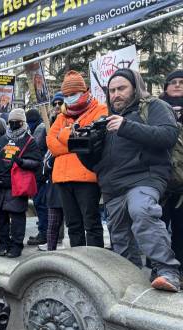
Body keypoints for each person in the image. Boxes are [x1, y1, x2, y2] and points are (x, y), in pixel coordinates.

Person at [81, 69, 181, 292]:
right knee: (120, 236)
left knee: (143, 211)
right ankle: (130, 279)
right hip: (113, 187)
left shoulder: (154, 106)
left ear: (135, 88)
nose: (116, 94)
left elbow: (168, 135)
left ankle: (168, 271)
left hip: (144, 178)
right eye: (112, 90)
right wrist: (84, 150)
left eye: (121, 88)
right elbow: (96, 164)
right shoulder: (104, 120)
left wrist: (126, 126)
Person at [47, 70, 106, 248]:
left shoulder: (100, 110)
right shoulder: (61, 116)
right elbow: (51, 143)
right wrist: (72, 138)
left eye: (73, 94)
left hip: (87, 177)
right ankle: (78, 264)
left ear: (84, 91)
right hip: (62, 179)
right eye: (66, 95)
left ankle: (97, 263)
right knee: (73, 225)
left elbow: (89, 141)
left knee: (92, 224)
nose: (69, 98)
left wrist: (64, 138)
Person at [0, 108, 42, 258]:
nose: (13, 125)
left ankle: (16, 246)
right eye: (10, 122)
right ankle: (3, 244)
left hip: (17, 186)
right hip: (0, 185)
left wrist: (21, 161)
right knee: (1, 218)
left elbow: (37, 162)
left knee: (17, 218)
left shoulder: (29, 141)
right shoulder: (3, 139)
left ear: (22, 122)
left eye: (16, 122)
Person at [159, 70, 183, 273]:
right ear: (166, 86)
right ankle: (160, 267)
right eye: (173, 82)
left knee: (181, 228)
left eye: (181, 82)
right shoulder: (156, 109)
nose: (177, 85)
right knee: (157, 227)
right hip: (160, 180)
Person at [26, 108, 49, 246]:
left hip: (40, 173)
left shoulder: (40, 129)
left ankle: (43, 233)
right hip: (40, 172)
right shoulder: (40, 127)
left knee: (41, 204)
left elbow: (36, 149)